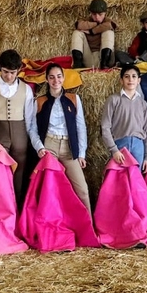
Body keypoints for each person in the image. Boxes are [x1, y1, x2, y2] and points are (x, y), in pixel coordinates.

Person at [0, 49, 41, 204]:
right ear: (0, 67)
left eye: (13, 72)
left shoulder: (26, 89)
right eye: (5, 72)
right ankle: (0, 211)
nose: (9, 76)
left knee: (19, 177)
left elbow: (30, 119)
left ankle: (17, 210)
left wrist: (32, 143)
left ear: (19, 70)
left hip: (21, 140)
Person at [32, 63, 91, 212]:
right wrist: (39, 147)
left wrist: (81, 153)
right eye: (51, 77)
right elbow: (32, 129)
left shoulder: (74, 99)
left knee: (83, 190)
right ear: (46, 80)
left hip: (69, 147)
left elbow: (81, 127)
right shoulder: (39, 101)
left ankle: (88, 228)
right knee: (48, 189)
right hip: (49, 146)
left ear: (63, 78)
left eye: (59, 76)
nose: (55, 80)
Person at [101, 65, 147, 173]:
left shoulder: (143, 104)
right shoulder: (113, 100)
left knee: (136, 180)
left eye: (134, 76)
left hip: (139, 146)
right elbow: (105, 127)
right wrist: (114, 150)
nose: (130, 80)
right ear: (121, 80)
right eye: (127, 76)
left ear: (139, 80)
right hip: (120, 145)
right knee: (119, 180)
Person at [70, 0, 117, 69]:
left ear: (105, 13)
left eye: (100, 14)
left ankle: (104, 64)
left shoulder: (107, 21)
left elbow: (112, 25)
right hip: (89, 57)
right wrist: (96, 24)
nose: (97, 17)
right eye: (94, 14)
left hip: (103, 57)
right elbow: (78, 25)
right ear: (91, 13)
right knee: (77, 33)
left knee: (108, 32)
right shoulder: (87, 20)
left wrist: (91, 31)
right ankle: (77, 64)